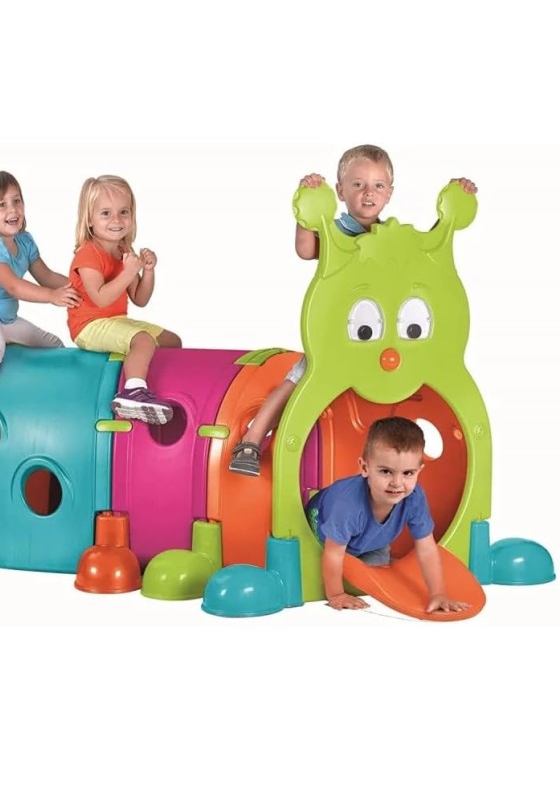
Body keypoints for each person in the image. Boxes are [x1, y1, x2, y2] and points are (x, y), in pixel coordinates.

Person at [228, 144, 477, 475]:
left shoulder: (394, 240)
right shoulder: (337, 232)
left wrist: (454, 205)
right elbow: (306, 249)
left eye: (378, 185)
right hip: (338, 343)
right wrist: (307, 213)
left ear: (389, 193)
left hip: (384, 344)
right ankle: (251, 441)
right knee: (296, 381)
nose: (368, 193)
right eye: (358, 184)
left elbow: (428, 256)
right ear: (340, 191)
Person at [0, 169, 81, 430]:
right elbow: (14, 286)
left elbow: (45, 275)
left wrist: (78, 288)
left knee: (52, 344)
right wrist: (52, 297)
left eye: (17, 201)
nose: (13, 210)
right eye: (2, 205)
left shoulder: (24, 241)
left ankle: (56, 392)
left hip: (5, 318)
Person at [305, 416, 470, 613]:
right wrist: (336, 595)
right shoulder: (348, 504)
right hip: (324, 538)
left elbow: (427, 548)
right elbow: (333, 553)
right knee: (330, 563)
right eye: (386, 471)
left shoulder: (414, 497)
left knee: (375, 571)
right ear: (365, 468)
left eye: (408, 473)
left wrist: (438, 594)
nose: (397, 483)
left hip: (370, 542)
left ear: (419, 471)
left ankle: (373, 559)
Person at [67, 175, 181, 425]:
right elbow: (100, 298)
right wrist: (129, 272)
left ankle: (152, 385)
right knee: (143, 339)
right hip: (89, 326)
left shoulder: (123, 252)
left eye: (123, 212)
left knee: (172, 341)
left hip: (115, 320)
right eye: (106, 213)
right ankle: (132, 392)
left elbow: (140, 298)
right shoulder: (87, 254)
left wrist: (147, 271)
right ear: (89, 219)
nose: (116, 220)